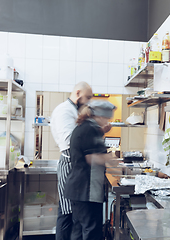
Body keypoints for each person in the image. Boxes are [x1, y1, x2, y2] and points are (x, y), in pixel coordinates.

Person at [64, 100, 119, 240]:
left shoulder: (86, 127)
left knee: (79, 230)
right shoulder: (90, 129)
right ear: (99, 116)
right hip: (86, 190)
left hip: (79, 189)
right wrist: (115, 162)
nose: (107, 122)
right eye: (107, 118)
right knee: (91, 230)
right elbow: (91, 158)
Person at [50, 82, 93, 240]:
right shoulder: (64, 110)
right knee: (67, 213)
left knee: (72, 213)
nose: (88, 101)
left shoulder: (73, 110)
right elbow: (70, 142)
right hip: (69, 166)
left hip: (75, 167)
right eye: (87, 97)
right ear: (78, 93)